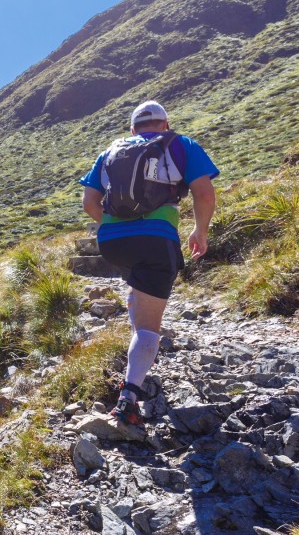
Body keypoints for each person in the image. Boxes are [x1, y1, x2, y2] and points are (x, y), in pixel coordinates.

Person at [78, 100, 219, 425]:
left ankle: (137, 342)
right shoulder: (180, 144)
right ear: (165, 125)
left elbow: (89, 202)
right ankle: (129, 399)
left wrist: (114, 225)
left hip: (113, 242)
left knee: (138, 281)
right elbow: (204, 193)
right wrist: (200, 231)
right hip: (157, 239)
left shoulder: (112, 150)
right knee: (147, 327)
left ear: (132, 130)